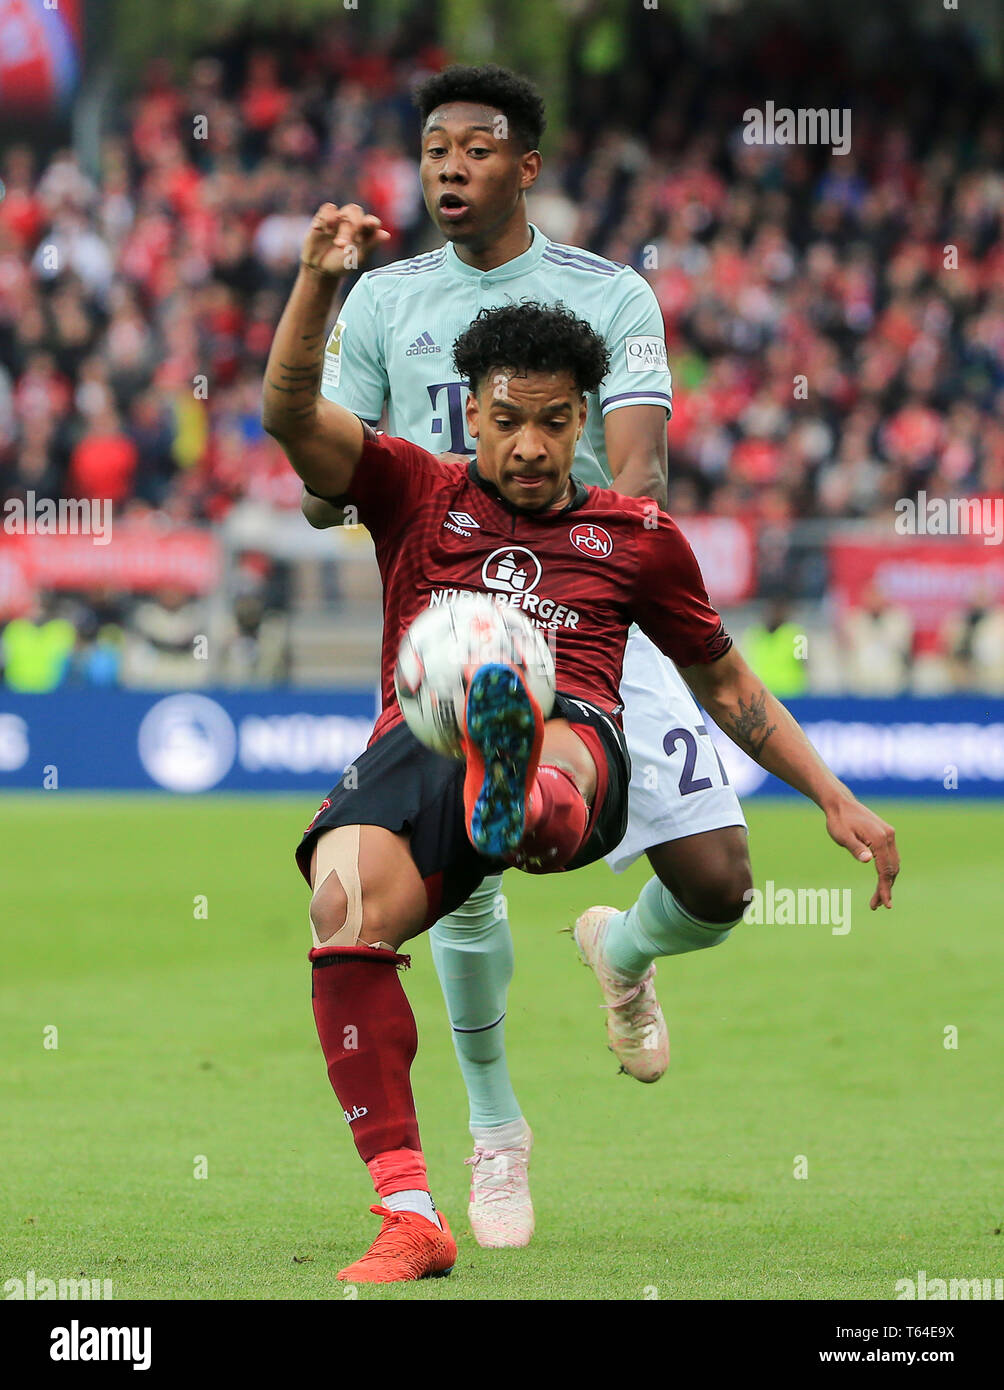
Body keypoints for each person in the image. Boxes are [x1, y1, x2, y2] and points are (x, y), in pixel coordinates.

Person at [262, 205, 900, 1283]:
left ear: (581, 420)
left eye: (553, 423)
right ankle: (410, 1211)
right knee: (341, 906)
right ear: (470, 410)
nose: (526, 444)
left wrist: (830, 793)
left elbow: (727, 684)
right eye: (506, 419)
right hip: (419, 739)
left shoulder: (635, 538)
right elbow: (289, 414)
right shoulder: (413, 487)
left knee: (556, 765)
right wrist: (319, 282)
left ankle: (507, 784)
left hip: (581, 741)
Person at [301, 65, 753, 1249]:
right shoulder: (384, 302)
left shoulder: (606, 295)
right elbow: (319, 474)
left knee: (716, 884)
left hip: (603, 598)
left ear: (526, 167)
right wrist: (353, 483)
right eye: (433, 147)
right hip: (453, 618)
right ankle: (494, 1129)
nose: (448, 165)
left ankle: (626, 950)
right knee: (467, 872)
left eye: (476, 146)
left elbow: (640, 475)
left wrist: (574, 546)